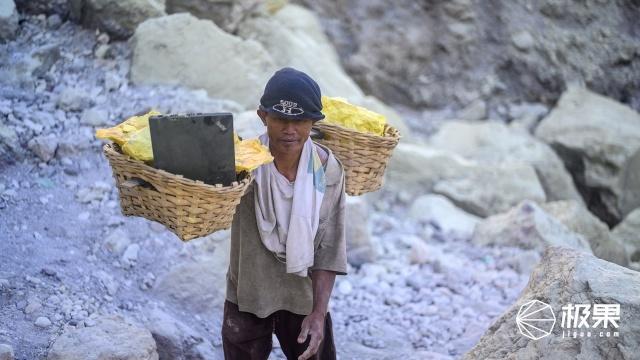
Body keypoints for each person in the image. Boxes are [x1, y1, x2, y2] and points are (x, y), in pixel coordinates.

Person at [222, 67, 348, 360]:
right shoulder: (243, 165)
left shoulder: (328, 171)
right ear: (262, 116)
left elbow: (329, 248)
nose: (289, 130)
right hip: (248, 294)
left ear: (314, 122)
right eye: (279, 119)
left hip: (302, 298)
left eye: (300, 120)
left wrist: (319, 313)